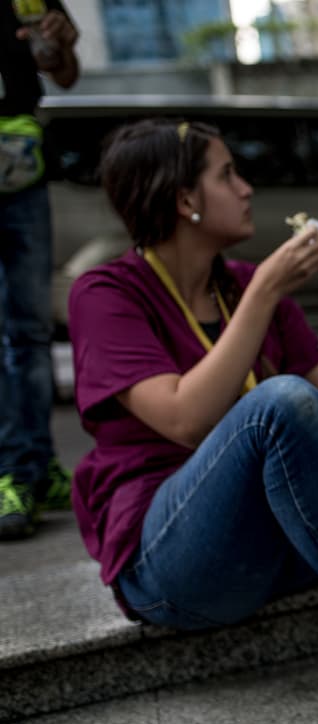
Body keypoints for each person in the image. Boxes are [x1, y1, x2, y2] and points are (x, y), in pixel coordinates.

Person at [67, 119, 318, 628]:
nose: (246, 188)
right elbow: (185, 418)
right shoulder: (105, 294)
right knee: (280, 404)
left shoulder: (247, 284)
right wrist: (264, 294)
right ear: (185, 199)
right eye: (228, 175)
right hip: (174, 559)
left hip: (277, 534)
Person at [0, 0, 79, 540]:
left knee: (28, 331)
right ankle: (11, 472)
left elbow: (64, 74)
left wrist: (62, 44)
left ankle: (35, 464)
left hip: (22, 171)